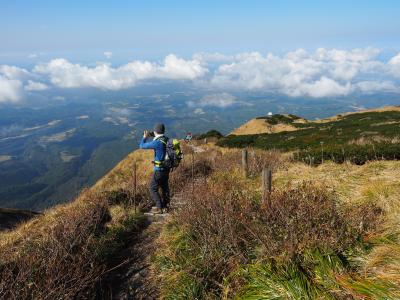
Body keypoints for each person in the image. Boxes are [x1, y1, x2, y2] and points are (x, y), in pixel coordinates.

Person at [139, 123, 170, 214]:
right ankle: (166, 206)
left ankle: (159, 207)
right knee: (165, 187)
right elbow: (158, 134)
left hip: (159, 170)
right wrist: (152, 134)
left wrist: (145, 137)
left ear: (156, 131)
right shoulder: (166, 139)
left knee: (152, 188)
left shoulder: (157, 142)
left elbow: (142, 146)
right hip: (166, 168)